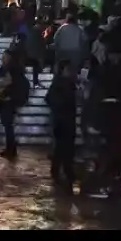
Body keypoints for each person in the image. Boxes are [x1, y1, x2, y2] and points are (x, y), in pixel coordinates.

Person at [45, 60, 78, 194]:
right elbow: (49, 99)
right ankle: (58, 170)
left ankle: (66, 170)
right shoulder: (58, 83)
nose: (70, 72)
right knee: (60, 147)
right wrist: (61, 104)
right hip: (60, 120)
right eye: (67, 69)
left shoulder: (70, 83)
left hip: (68, 119)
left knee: (68, 147)